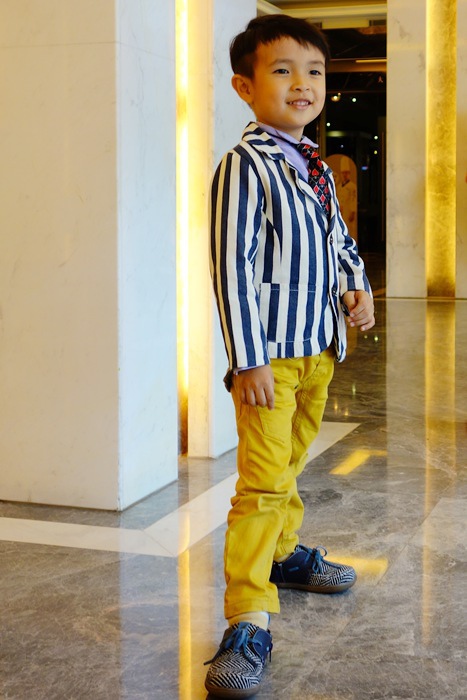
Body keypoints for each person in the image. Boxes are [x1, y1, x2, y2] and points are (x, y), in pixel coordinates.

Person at [205, 14, 375, 698]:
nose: (302, 83)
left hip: (317, 349)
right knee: (261, 483)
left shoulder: (316, 167)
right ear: (245, 87)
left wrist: (357, 285)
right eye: (282, 70)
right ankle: (247, 617)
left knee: (290, 463)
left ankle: (281, 554)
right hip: (271, 357)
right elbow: (232, 267)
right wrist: (247, 359)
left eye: (314, 71)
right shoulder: (245, 166)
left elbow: (338, 241)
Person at [336, 155, 358, 239]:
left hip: (348, 212)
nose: (345, 175)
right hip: (341, 212)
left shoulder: (352, 186)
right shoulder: (339, 187)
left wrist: (353, 212)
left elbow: (353, 199)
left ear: (349, 174)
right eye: (343, 173)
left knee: (350, 232)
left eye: (346, 173)